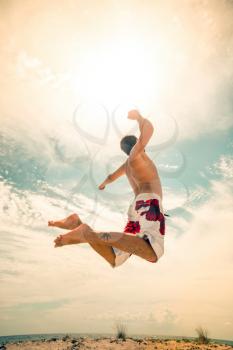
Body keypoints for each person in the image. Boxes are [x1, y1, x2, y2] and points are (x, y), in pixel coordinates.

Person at [49, 110, 166, 268]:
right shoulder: (138, 155)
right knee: (152, 253)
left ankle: (76, 224)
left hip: (136, 210)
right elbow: (149, 130)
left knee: (115, 257)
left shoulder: (128, 164)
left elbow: (111, 176)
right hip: (148, 204)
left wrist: (103, 184)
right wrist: (139, 118)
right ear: (136, 144)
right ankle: (86, 233)